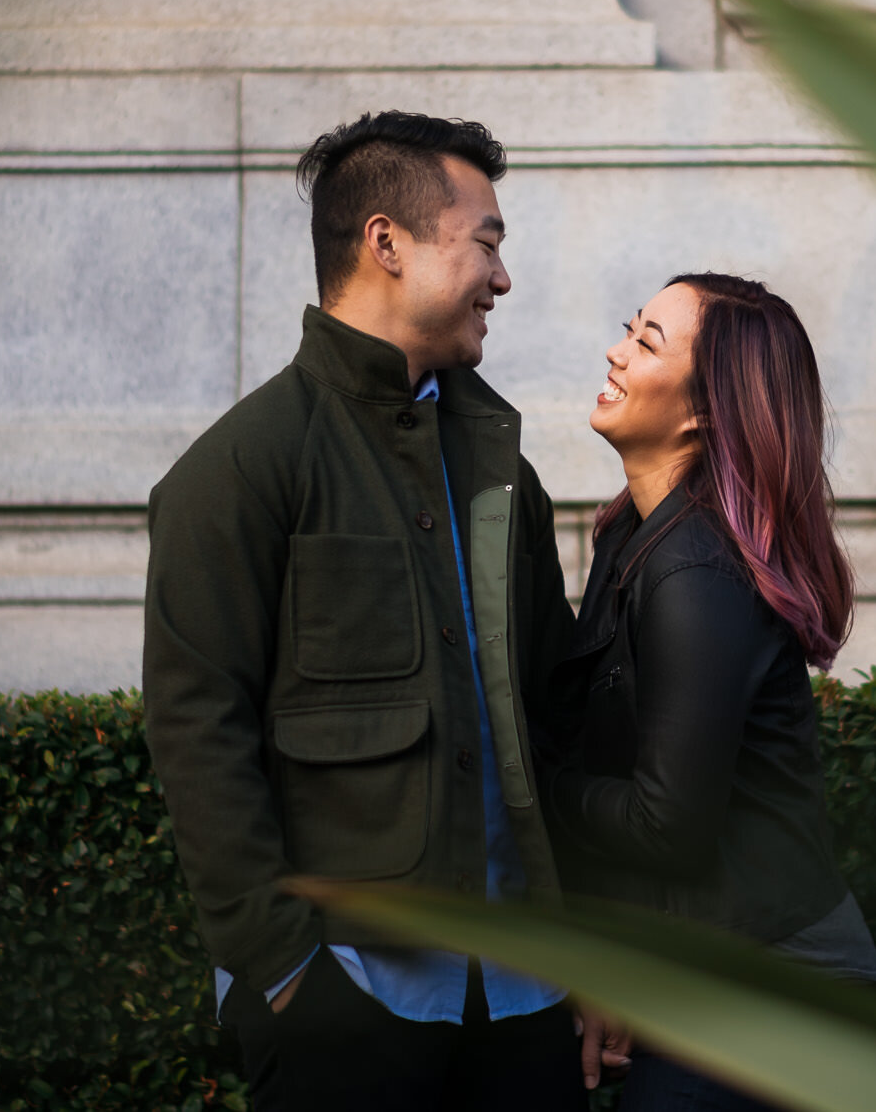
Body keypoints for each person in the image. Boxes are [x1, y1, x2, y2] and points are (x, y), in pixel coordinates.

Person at [140, 111, 587, 1111]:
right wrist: (285, 968)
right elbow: (195, 728)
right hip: (345, 999)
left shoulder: (500, 471)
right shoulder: (239, 468)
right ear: (387, 241)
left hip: (523, 998)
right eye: (487, 241)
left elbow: (552, 717)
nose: (502, 277)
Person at [545, 272, 876, 1110]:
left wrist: (528, 789)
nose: (616, 353)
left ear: (701, 413)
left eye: (647, 342)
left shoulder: (694, 569)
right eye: (629, 328)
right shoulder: (632, 532)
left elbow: (668, 825)